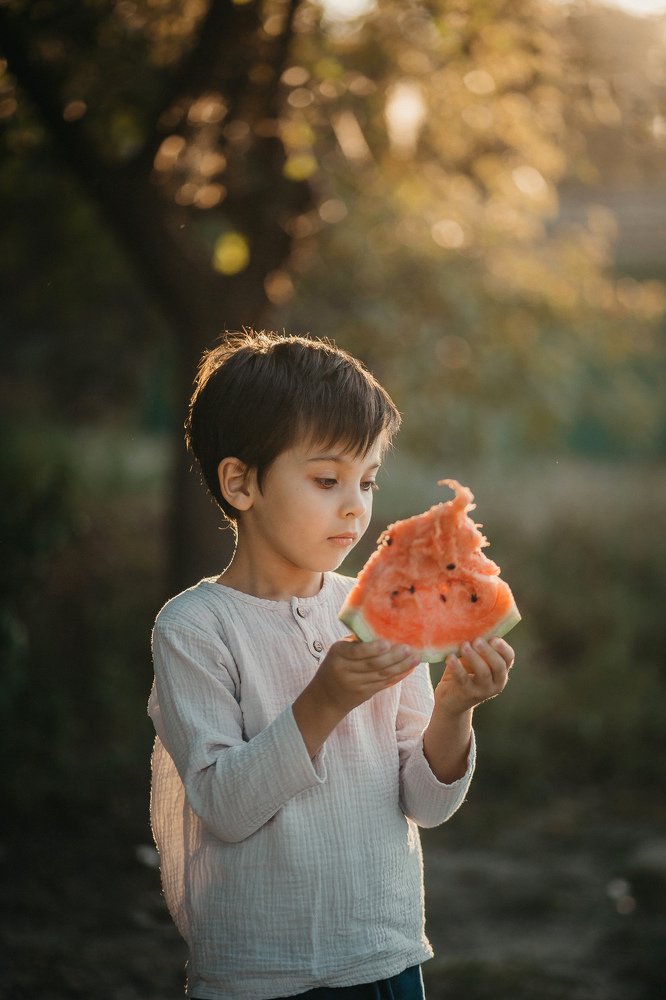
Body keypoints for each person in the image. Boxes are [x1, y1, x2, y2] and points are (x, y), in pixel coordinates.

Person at [148, 329, 514, 1000]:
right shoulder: (195, 629)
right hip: (258, 973)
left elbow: (425, 803)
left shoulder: (372, 609)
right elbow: (224, 808)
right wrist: (321, 704)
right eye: (327, 479)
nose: (355, 504)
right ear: (240, 483)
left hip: (385, 953)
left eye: (367, 480)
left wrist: (456, 711)